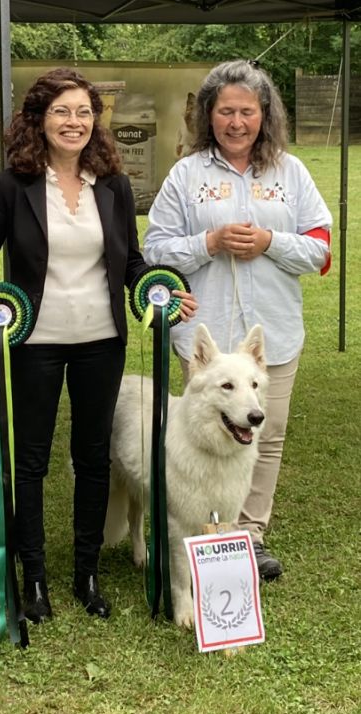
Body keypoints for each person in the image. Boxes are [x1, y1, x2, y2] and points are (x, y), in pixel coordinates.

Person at [0, 68, 196, 624]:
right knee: (31, 459)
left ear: (96, 121)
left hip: (102, 341)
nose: (75, 122)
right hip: (33, 340)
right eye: (63, 111)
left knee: (92, 458)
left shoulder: (111, 184)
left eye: (84, 112)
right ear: (39, 118)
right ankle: (34, 577)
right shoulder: (13, 185)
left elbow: (131, 261)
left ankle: (86, 571)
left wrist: (158, 290)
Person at [143, 59, 332, 581]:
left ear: (264, 114)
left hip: (270, 335)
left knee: (263, 435)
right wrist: (209, 243)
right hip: (205, 338)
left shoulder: (290, 172)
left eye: (247, 111)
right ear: (209, 114)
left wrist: (272, 242)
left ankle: (248, 534)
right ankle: (205, 532)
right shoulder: (187, 174)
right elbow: (154, 247)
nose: (236, 122)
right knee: (200, 434)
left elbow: (322, 247)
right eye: (225, 111)